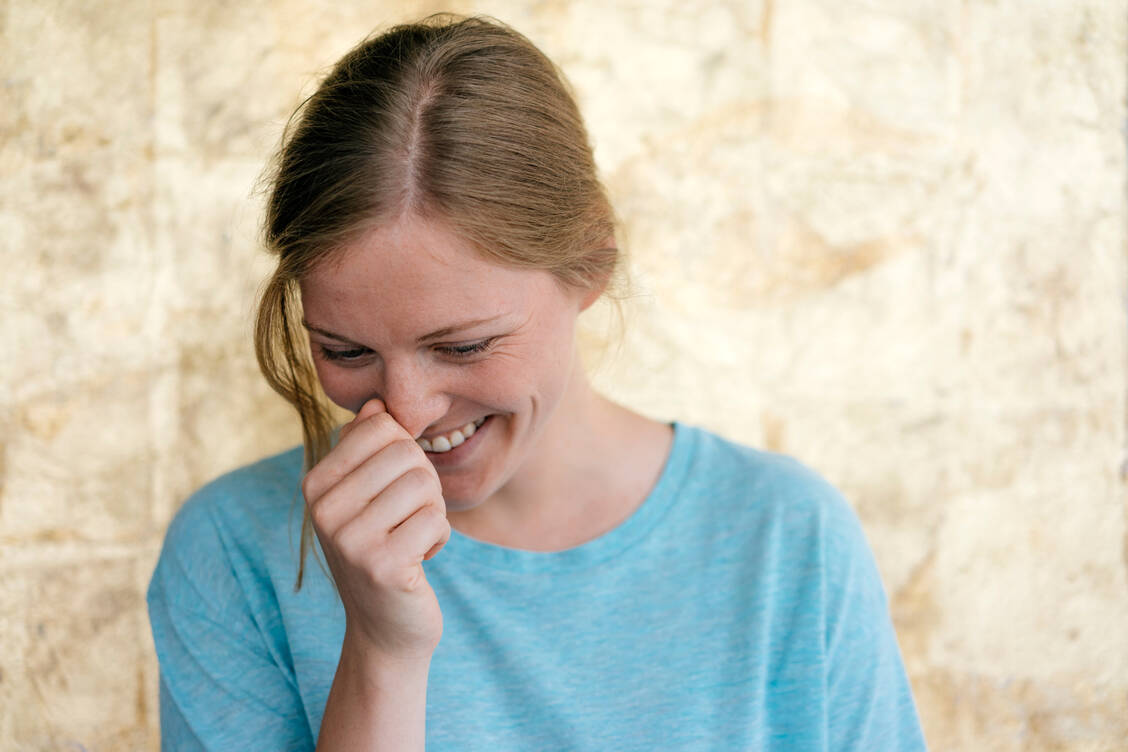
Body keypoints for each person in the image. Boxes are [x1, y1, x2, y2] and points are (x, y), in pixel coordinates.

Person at [147, 14, 927, 751]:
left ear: (591, 262)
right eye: (346, 351)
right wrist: (382, 655)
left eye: (463, 345)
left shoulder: (788, 538)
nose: (408, 411)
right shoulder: (232, 550)